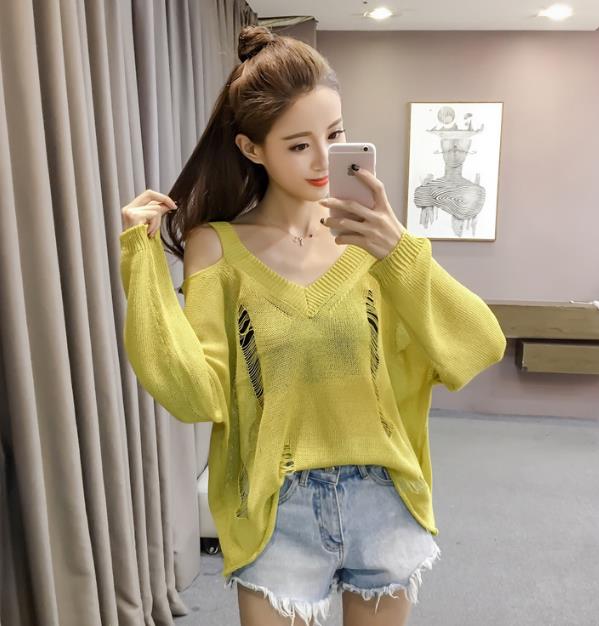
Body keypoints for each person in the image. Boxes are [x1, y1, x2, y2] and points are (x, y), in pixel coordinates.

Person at [119, 25, 507, 626]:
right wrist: (141, 266)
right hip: (277, 508)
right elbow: (196, 394)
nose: (325, 160)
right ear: (252, 149)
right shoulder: (215, 248)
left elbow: (479, 344)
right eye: (299, 145)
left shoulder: (376, 244)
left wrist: (400, 253)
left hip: (384, 496)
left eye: (336, 135)